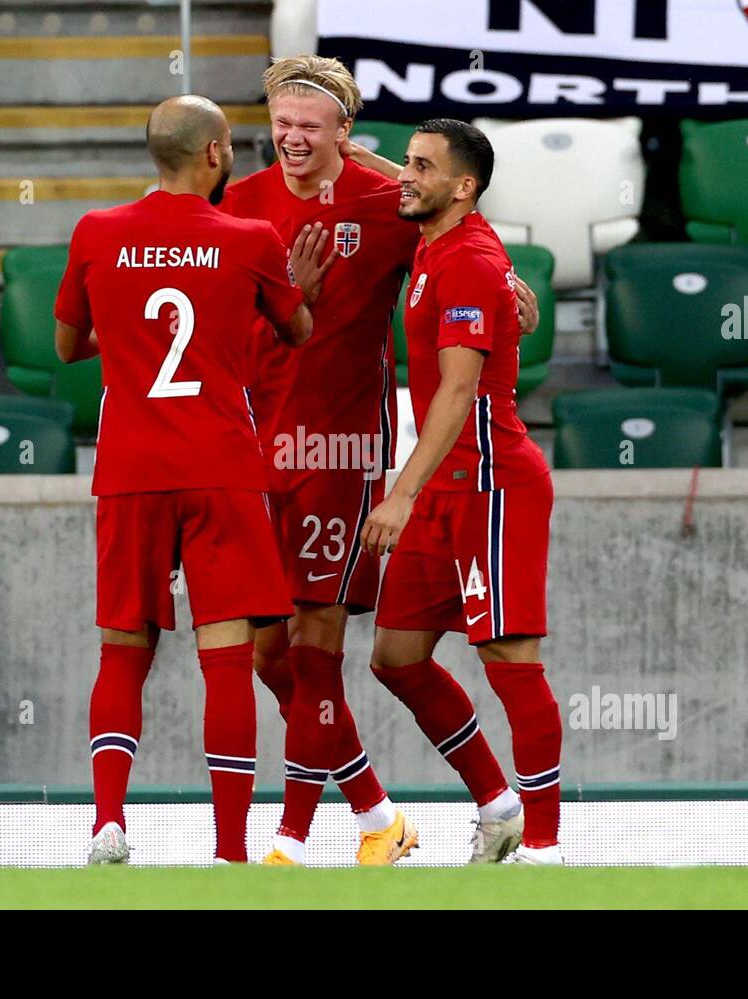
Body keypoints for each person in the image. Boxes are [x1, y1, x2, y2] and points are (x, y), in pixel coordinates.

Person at [222, 56, 541, 866]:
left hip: (347, 446)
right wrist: (292, 303)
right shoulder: (242, 205)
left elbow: (458, 217)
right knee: (271, 653)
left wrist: (508, 283)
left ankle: (293, 839)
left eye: (309, 125)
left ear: (343, 132)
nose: (291, 138)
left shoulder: (390, 201)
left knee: (315, 643)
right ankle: (376, 813)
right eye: (281, 123)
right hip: (261, 446)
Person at [54, 95, 314, 865]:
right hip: (221, 467)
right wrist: (283, 291)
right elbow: (297, 330)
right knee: (226, 653)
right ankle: (230, 851)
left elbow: (67, 346)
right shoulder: (252, 237)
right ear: (214, 154)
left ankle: (108, 821)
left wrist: (132, 328)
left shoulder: (96, 232)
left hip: (131, 467)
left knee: (121, 648)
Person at [362, 120, 564, 865]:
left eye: (420, 167)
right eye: (406, 162)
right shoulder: (441, 234)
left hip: (489, 482)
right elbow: (417, 185)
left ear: (464, 187)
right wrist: (348, 148)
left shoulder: (470, 259)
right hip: (445, 485)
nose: (404, 176)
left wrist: (400, 492)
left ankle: (543, 845)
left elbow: (455, 391)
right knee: (396, 657)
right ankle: (499, 802)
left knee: (511, 658)